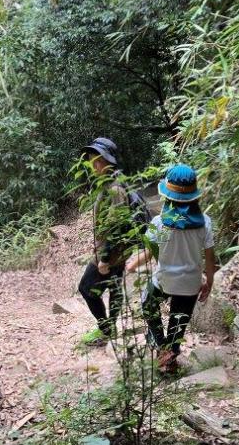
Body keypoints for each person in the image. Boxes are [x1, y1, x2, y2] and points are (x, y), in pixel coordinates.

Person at [126, 163, 215, 374]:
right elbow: (210, 258)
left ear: (167, 196)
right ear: (194, 196)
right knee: (178, 321)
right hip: (191, 284)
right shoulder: (205, 222)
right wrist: (208, 283)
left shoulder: (159, 223)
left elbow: (148, 253)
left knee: (148, 303)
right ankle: (171, 355)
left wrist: (132, 265)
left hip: (164, 281)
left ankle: (161, 347)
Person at [77, 137, 133, 348]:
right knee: (114, 286)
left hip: (112, 252)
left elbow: (117, 225)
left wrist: (105, 258)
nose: (94, 165)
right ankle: (110, 328)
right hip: (117, 251)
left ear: (109, 161)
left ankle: (106, 329)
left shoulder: (115, 188)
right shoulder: (109, 183)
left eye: (98, 160)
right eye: (92, 160)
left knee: (86, 288)